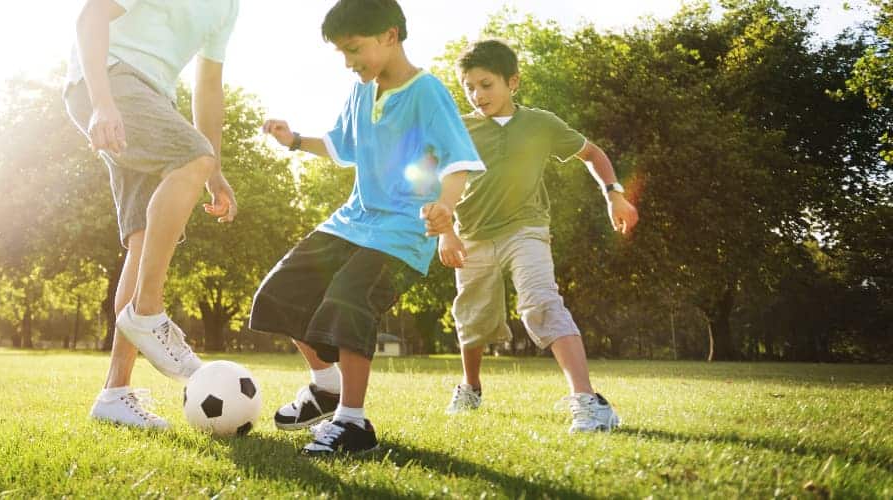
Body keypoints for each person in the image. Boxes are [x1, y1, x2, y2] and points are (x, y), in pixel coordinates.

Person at [252, 0, 485, 456]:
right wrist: (295, 141)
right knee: (282, 290)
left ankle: (353, 423)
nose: (348, 61)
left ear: (390, 36)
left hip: (402, 231)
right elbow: (343, 146)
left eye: (353, 48)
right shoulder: (362, 90)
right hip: (353, 220)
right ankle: (326, 388)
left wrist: (445, 206)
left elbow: (458, 159)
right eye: (341, 52)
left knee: (348, 300)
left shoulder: (427, 92)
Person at [433, 39, 639, 433]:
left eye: (486, 84)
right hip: (472, 235)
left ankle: (589, 402)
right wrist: (446, 234)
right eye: (469, 87)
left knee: (541, 302)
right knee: (473, 318)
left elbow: (593, 154)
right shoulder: (459, 129)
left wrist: (614, 195)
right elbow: (447, 184)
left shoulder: (541, 124)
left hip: (526, 229)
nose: (477, 95)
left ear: (513, 82)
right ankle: (470, 387)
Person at [63, 0, 240, 429]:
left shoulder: (229, 6)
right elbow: (91, 16)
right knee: (191, 158)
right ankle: (147, 312)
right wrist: (103, 104)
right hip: (112, 80)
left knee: (143, 238)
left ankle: (115, 394)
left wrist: (213, 169)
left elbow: (209, 86)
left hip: (155, 97)